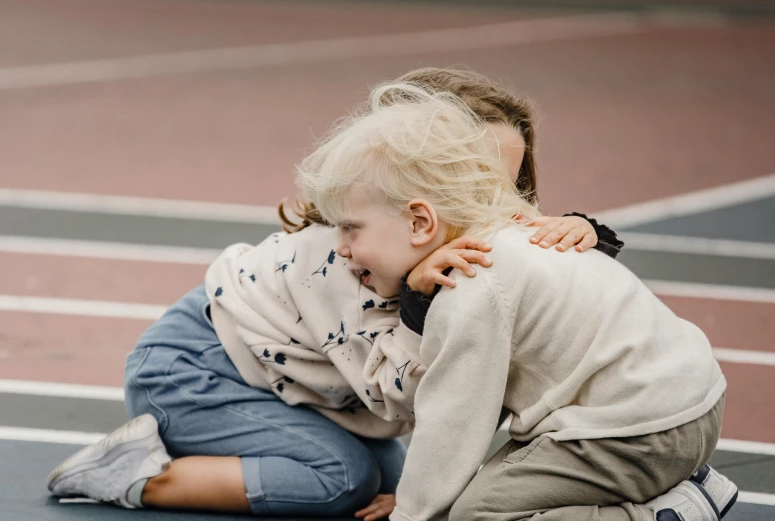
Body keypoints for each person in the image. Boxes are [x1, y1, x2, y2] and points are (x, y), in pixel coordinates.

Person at [45, 70, 622, 519]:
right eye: (472, 177)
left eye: (509, 185)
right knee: (342, 480)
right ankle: (137, 474)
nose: (494, 203)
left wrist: (583, 234)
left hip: (298, 387)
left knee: (397, 484)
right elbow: (404, 398)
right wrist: (418, 305)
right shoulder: (350, 257)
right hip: (193, 371)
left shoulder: (436, 238)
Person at [297, 82, 737, 521]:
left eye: (352, 229)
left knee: (477, 515)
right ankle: (685, 489)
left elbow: (453, 426)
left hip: (640, 433)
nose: (341, 248)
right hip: (689, 405)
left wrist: (412, 515)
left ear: (419, 222)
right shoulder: (518, 236)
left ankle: (667, 514)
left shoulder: (471, 284)